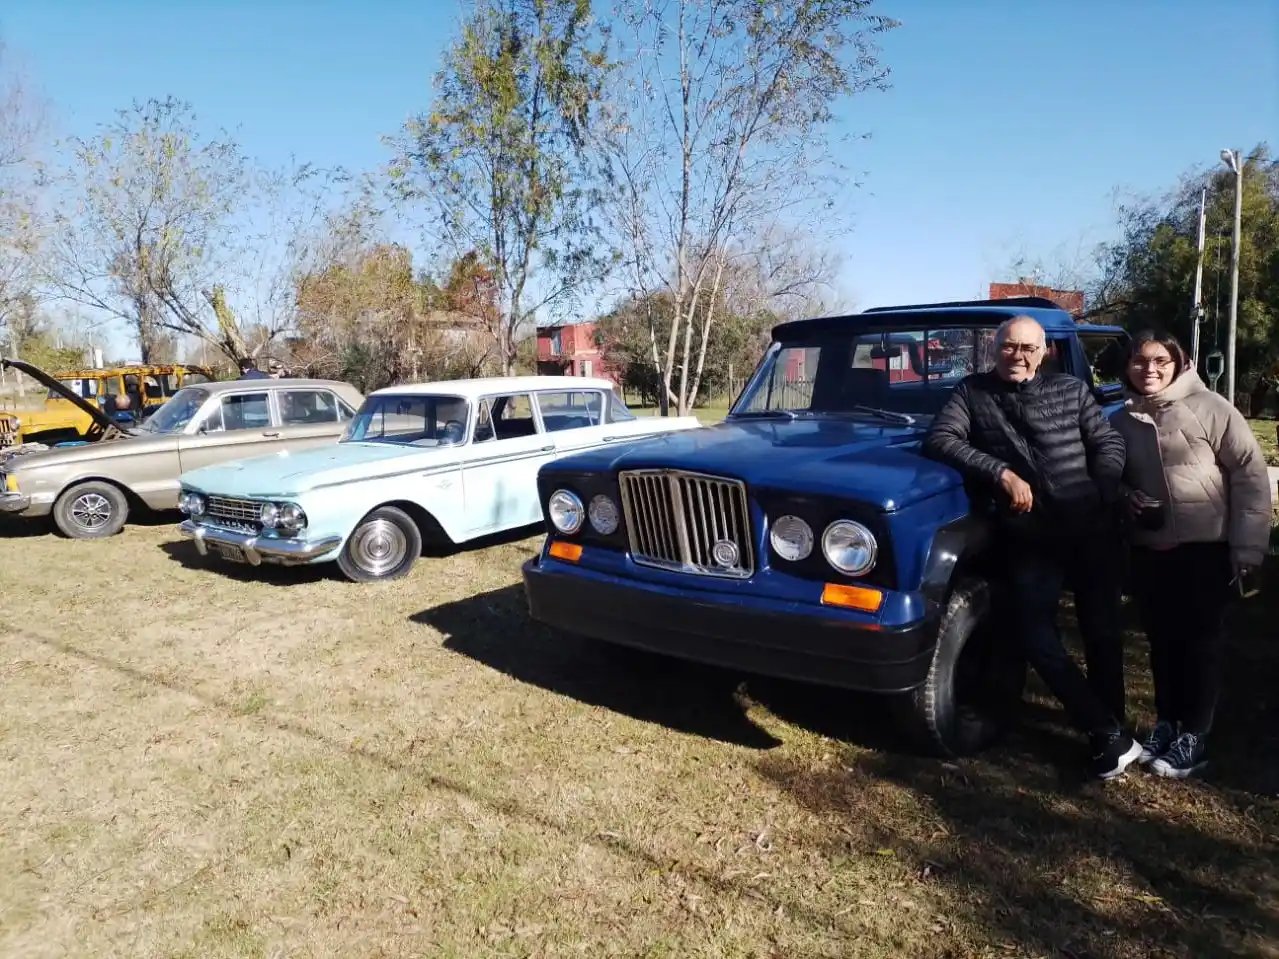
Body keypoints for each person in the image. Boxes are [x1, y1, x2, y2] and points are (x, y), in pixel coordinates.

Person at [922, 314, 1141, 780]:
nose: (1017, 356)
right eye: (1008, 347)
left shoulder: (1071, 390)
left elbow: (1107, 443)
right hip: (1031, 534)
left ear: (1043, 353)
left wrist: (1102, 489)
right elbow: (940, 439)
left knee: (1101, 632)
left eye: (1027, 348)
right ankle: (1107, 732)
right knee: (1034, 635)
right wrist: (1001, 473)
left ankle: (1112, 728)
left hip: (1089, 529)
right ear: (994, 349)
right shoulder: (972, 392)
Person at [1109, 329, 1271, 779]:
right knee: (1161, 641)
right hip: (1151, 548)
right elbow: (1110, 477)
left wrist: (1249, 546)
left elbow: (1250, 476)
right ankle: (1167, 722)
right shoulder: (1121, 419)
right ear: (1127, 367)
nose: (1150, 370)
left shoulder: (1211, 408)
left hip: (1208, 546)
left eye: (1160, 360)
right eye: (1140, 361)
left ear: (1179, 363)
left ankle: (1195, 735)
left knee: (1202, 643)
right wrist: (1127, 498)